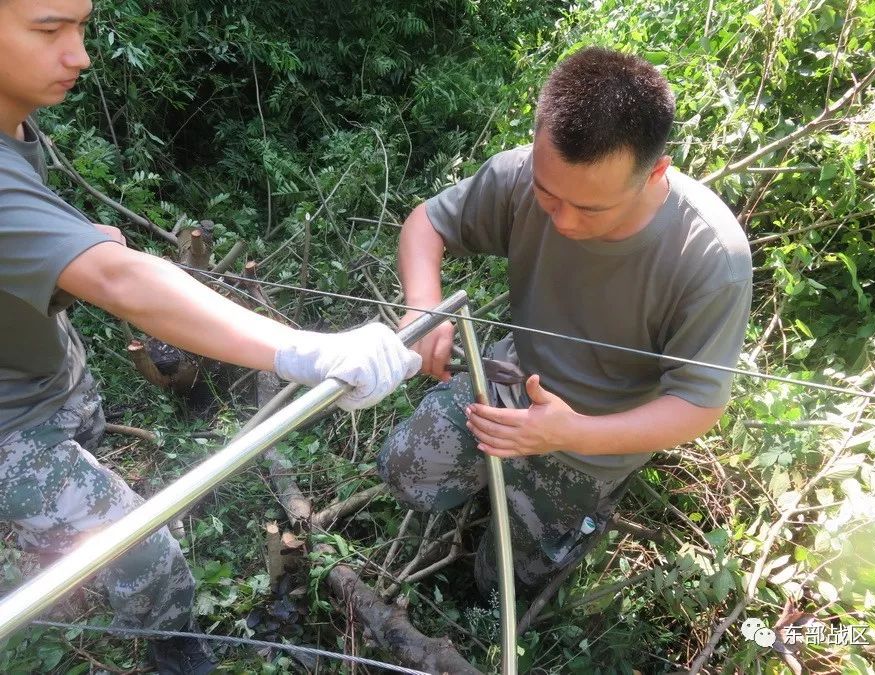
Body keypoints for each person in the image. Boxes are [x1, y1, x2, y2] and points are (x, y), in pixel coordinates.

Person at [0, 1, 420, 672]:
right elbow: (121, 280)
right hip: (9, 426)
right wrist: (308, 350)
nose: (79, 53)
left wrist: (66, 251)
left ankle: (50, 548)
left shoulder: (15, 116)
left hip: (45, 372)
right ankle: (176, 653)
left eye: (80, 26)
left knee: (87, 441)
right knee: (143, 550)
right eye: (50, 30)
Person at [378, 47, 753, 597]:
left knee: (500, 589)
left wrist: (571, 431)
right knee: (402, 472)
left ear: (655, 173)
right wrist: (424, 304)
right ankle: (489, 495)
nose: (566, 221)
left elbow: (699, 403)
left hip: (592, 447)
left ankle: (532, 529)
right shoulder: (521, 174)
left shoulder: (709, 257)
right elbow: (426, 223)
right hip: (507, 389)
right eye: (549, 196)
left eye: (592, 209)